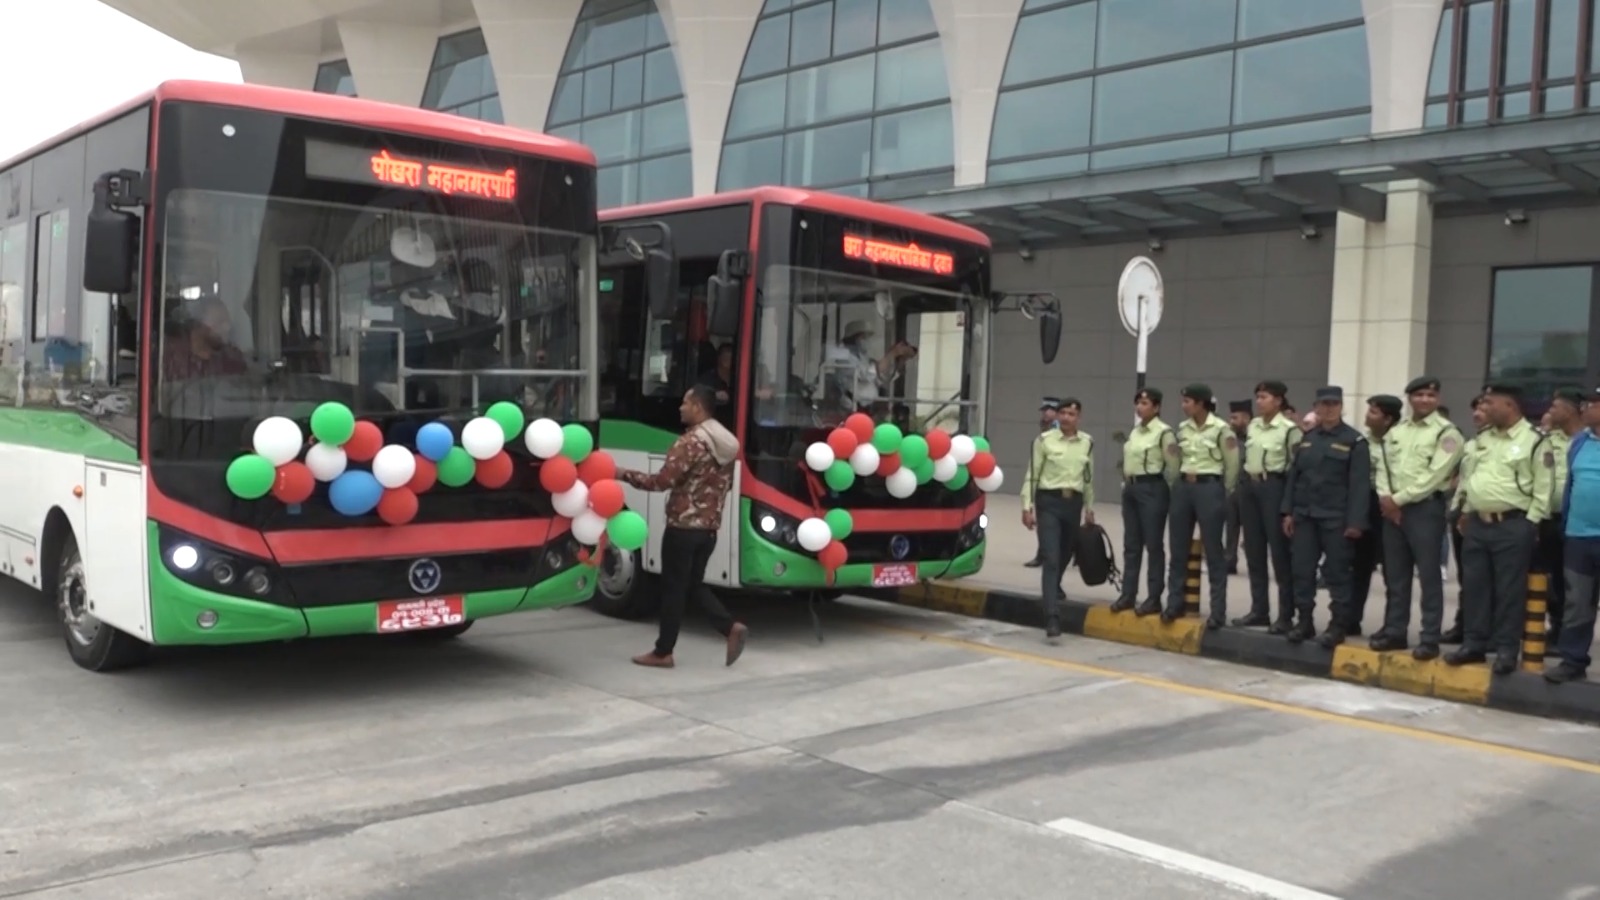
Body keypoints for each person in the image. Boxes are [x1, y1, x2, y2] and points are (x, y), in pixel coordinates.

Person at [618, 384, 748, 668]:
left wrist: (623, 474)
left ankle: (663, 652)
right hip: (708, 530)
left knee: (673, 589)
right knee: (692, 585)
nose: (680, 408)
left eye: (685, 403)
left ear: (698, 408)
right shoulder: (725, 444)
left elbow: (660, 482)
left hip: (683, 528)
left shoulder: (690, 442)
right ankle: (729, 628)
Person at [1446, 382, 1553, 675]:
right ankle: (1474, 645)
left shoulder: (1534, 441)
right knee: (1475, 587)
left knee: (1509, 591)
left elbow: (1543, 488)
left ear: (1510, 405)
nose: (1484, 407)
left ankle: (1506, 650)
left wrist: (1530, 523)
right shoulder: (1483, 438)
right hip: (1477, 524)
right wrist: (1465, 510)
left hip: (1513, 525)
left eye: (1490, 402)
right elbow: (1470, 477)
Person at [1370, 375, 1463, 660]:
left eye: (1430, 396)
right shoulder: (1397, 431)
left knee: (1429, 577)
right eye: (1419, 395)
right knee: (1395, 576)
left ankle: (1429, 637)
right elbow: (1383, 467)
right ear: (1409, 398)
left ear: (1438, 399)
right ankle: (1395, 631)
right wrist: (1386, 497)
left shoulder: (1447, 433)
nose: (1425, 400)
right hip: (1392, 510)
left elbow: (1435, 476)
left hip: (1425, 510)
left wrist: (1397, 500)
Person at [1281, 386, 1371, 646]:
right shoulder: (1308, 439)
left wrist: (1355, 522)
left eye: (1334, 404)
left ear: (1341, 407)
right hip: (1305, 516)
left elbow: (1359, 486)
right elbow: (1295, 478)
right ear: (1316, 407)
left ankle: (1338, 625)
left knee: (1338, 574)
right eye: (1324, 404)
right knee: (1302, 571)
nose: (1329, 409)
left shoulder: (1354, 441)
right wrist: (1288, 512)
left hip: (1336, 519)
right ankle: (1304, 621)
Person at [1163, 384, 1240, 628]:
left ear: (1200, 404)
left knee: (1214, 552)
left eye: (1187, 402)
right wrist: (1176, 485)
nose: (1183, 406)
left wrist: (1223, 491)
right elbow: (1175, 460)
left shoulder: (1221, 430)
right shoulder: (1182, 429)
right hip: (1184, 487)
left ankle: (1217, 611)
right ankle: (1174, 603)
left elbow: (1232, 464)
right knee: (1178, 549)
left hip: (1210, 488)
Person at [1021, 397, 1095, 640]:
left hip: (1073, 503)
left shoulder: (1087, 443)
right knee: (1051, 558)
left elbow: (1088, 478)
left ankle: (1053, 588)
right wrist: (1027, 506)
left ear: (1078, 418)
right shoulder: (1043, 441)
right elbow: (1033, 474)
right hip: (1048, 502)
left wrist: (1089, 507)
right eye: (1062, 413)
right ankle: (1052, 616)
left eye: (1071, 414)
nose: (1066, 418)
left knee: (1065, 554)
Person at [1233, 381, 1299, 633]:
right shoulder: (1253, 426)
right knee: (1254, 551)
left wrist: (1289, 506)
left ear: (1278, 401)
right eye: (1258, 397)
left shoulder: (1289, 430)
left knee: (1280, 554)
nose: (1259, 401)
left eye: (1265, 397)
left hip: (1274, 486)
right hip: (1251, 487)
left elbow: (1295, 469)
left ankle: (1285, 614)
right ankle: (1259, 610)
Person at [1547, 385, 1600, 683]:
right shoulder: (1580, 442)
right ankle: (1572, 660)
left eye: (1593, 404)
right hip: (1579, 537)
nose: (1586, 409)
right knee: (1577, 603)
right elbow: (1572, 484)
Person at [1113, 387, 1177, 617]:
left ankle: (1153, 597)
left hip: (1152, 488)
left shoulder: (1164, 433)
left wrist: (1169, 494)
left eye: (1145, 403)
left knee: (1153, 545)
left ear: (1157, 407)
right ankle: (1128, 594)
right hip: (1131, 488)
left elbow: (1173, 466)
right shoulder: (1136, 431)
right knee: (1131, 545)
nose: (1139, 407)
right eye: (1138, 403)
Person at [1349, 394, 1403, 640]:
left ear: (1388, 419)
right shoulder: (1363, 441)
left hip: (1392, 506)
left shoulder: (1399, 440)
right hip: (1366, 503)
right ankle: (1351, 619)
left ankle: (1392, 625)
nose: (1367, 416)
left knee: (1393, 570)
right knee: (1359, 565)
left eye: (1373, 412)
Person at [1540, 386, 1587, 645]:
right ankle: (1556, 628)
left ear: (1569, 411)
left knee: (1577, 583)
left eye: (1555, 407)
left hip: (1580, 523)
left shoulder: (1588, 440)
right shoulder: (1547, 440)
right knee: (1552, 579)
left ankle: (1572, 634)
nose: (1550, 411)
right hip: (1550, 519)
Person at [1442, 395, 1490, 645]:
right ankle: (1465, 625)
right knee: (1467, 577)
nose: (1477, 413)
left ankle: (1486, 630)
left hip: (1486, 517)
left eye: (1483, 408)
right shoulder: (1470, 444)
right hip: (1462, 515)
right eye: (1475, 409)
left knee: (1488, 579)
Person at [825, 319, 915, 412]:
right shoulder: (843, 356)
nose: (867, 341)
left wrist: (901, 360)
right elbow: (866, 375)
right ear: (853, 338)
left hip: (868, 407)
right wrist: (892, 354)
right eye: (863, 337)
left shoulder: (863, 357)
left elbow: (880, 378)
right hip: (852, 407)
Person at [163, 296, 249, 381]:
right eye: (220, 321)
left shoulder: (231, 358)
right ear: (199, 324)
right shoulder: (170, 355)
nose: (227, 327)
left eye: (227, 322)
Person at [1024, 397, 1062, 569]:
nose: (1045, 413)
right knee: (1046, 523)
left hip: (1055, 482)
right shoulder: (1045, 427)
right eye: (1044, 410)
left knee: (1050, 524)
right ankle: (1046, 553)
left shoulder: (1058, 431)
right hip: (1044, 482)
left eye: (1049, 410)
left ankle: (1046, 555)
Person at [1224, 399, 1252, 575]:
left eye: (1235, 418)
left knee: (1251, 528)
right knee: (1231, 525)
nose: (1231, 421)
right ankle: (1229, 560)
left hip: (1250, 487)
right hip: (1233, 486)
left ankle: (1254, 561)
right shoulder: (1230, 438)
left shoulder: (1255, 436)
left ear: (1246, 418)